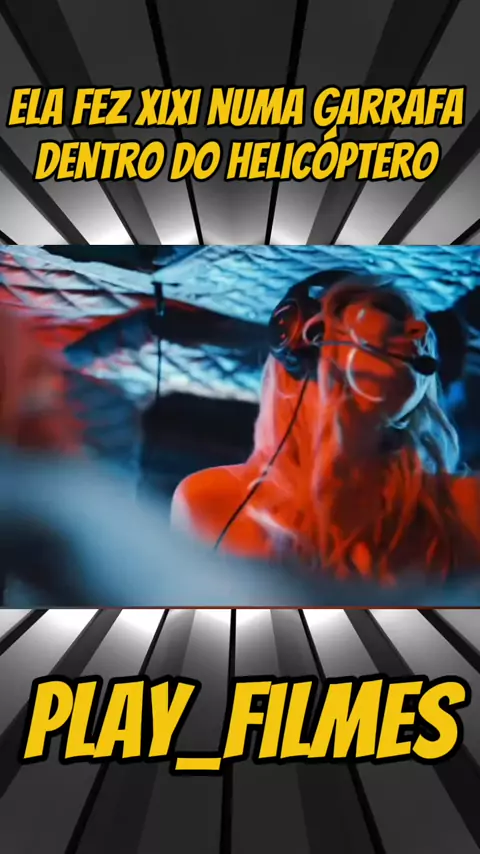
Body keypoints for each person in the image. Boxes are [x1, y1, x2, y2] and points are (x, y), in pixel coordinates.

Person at [171, 274, 480, 583]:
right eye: (390, 311)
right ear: (305, 337)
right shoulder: (207, 501)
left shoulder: (465, 508)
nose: (422, 329)